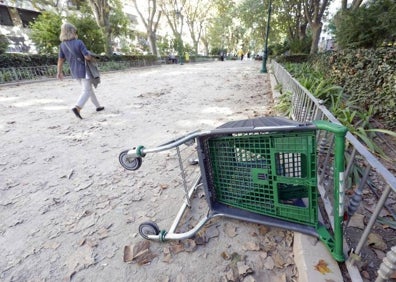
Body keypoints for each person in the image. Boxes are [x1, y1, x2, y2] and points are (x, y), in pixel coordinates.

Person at [56, 22, 104, 120]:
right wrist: (92, 56)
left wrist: (59, 72)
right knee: (86, 91)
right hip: (84, 70)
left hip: (74, 71)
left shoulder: (62, 45)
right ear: (73, 31)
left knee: (88, 89)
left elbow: (60, 60)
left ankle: (98, 106)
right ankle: (77, 107)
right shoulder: (79, 42)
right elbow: (87, 57)